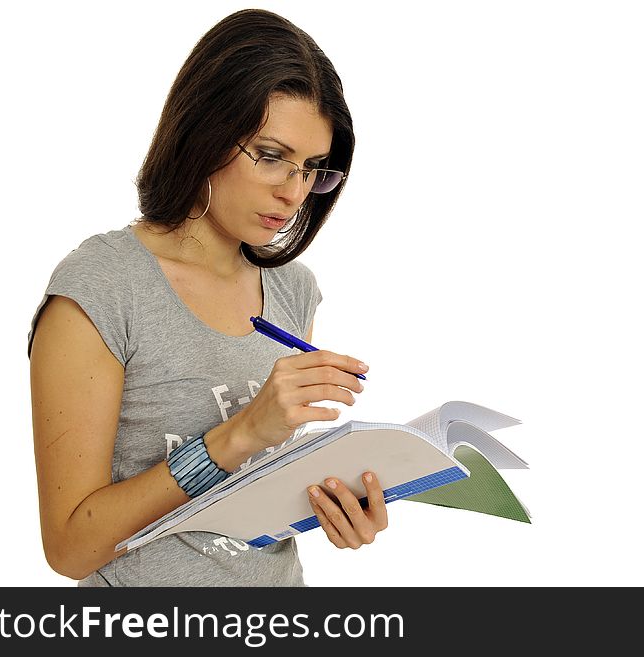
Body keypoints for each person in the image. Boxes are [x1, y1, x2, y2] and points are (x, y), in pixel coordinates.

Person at [27, 9, 387, 587]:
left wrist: (331, 503)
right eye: (271, 156)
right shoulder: (103, 285)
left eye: (312, 168)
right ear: (205, 131)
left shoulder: (293, 290)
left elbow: (255, 496)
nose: (294, 192)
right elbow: (71, 547)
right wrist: (237, 434)